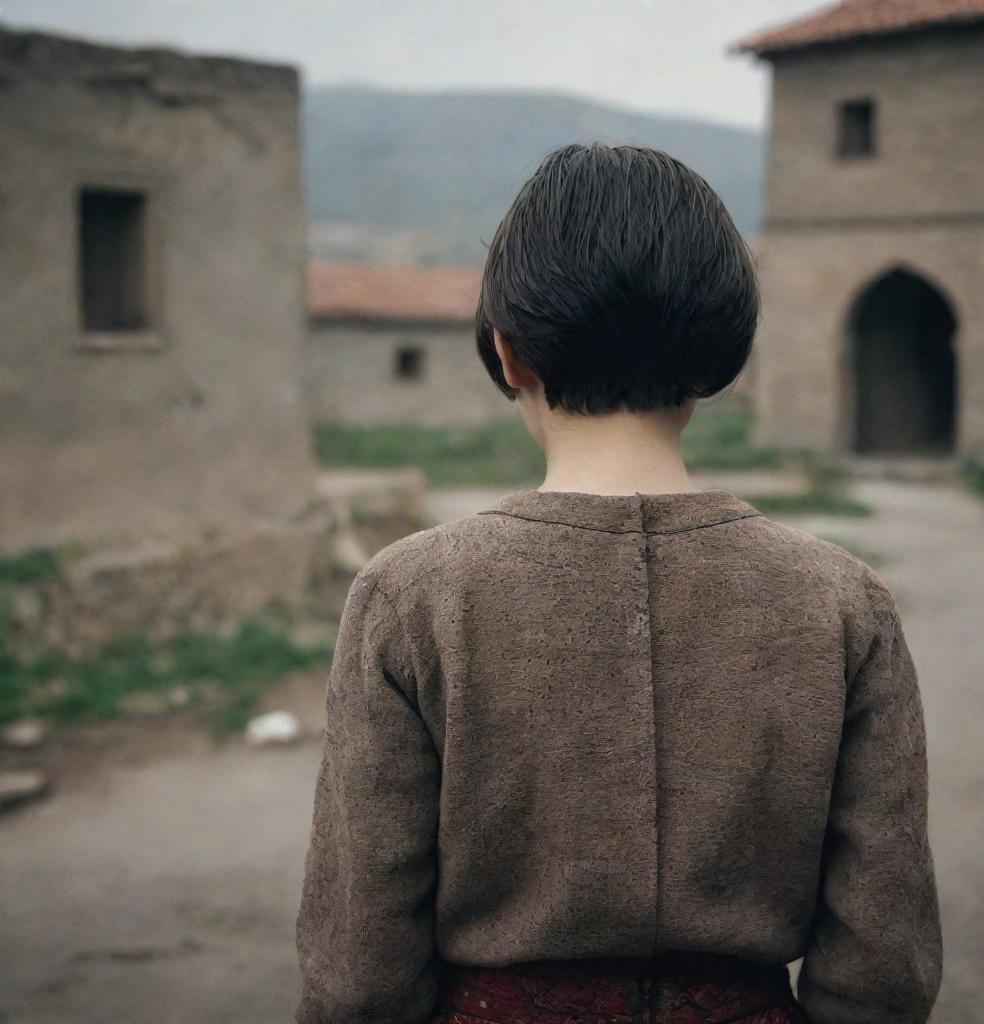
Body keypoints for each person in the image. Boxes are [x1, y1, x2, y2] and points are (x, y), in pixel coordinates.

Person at [293, 142, 943, 1024]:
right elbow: (883, 961)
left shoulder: (410, 597)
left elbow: (360, 965)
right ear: (721, 365)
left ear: (510, 354)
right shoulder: (840, 601)